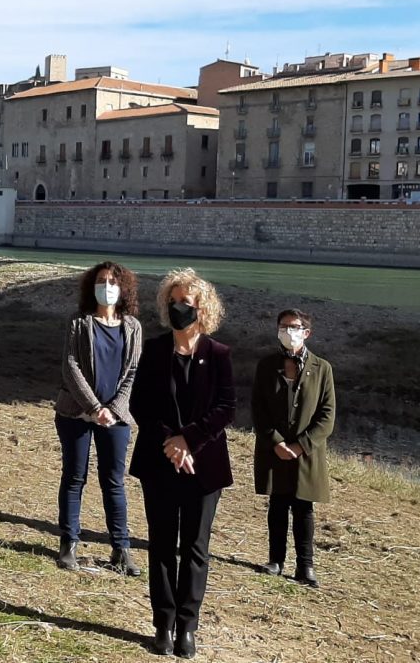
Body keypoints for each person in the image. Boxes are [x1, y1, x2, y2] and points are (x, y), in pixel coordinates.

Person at [129, 268, 234, 659]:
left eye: (185, 304)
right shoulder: (154, 350)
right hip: (159, 463)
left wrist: (189, 440)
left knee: (195, 548)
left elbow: (226, 409)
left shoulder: (218, 354)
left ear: (201, 309)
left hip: (203, 467)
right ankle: (163, 624)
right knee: (160, 545)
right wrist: (170, 442)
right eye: (173, 303)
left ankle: (187, 627)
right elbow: (140, 403)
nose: (178, 309)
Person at [55, 261, 143, 576]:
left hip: (116, 418)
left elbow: (133, 372)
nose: (106, 286)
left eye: (112, 282)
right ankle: (69, 544)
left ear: (123, 289)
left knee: (114, 482)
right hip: (76, 412)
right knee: (74, 477)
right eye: (101, 280)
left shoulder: (133, 326)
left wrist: (113, 409)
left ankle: (121, 548)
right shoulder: (79, 322)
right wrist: (93, 407)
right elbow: (70, 365)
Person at [252, 308, 336, 588]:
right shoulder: (266, 366)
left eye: (294, 327)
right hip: (274, 449)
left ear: (306, 332)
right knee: (277, 503)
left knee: (303, 507)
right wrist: (275, 442)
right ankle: (276, 560)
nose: (289, 332)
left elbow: (327, 415)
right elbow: (258, 410)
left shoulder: (322, 368)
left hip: (306, 452)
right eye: (283, 326)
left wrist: (302, 445)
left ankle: (305, 566)